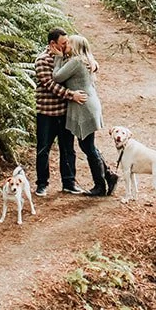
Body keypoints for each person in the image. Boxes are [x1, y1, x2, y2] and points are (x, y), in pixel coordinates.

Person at [52, 33, 117, 197]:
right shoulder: (85, 60)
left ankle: (101, 185)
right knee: (88, 146)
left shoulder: (76, 61)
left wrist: (58, 57)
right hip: (88, 104)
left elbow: (57, 77)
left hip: (84, 106)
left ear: (75, 47)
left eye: (69, 43)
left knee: (88, 146)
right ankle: (108, 176)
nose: (66, 46)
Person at [33, 27, 88, 196]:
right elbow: (51, 85)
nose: (66, 46)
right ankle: (42, 184)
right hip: (46, 113)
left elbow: (83, 62)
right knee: (43, 149)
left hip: (65, 112)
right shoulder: (42, 60)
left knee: (68, 149)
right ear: (53, 43)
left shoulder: (68, 57)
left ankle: (69, 182)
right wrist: (72, 95)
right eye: (63, 43)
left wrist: (94, 64)